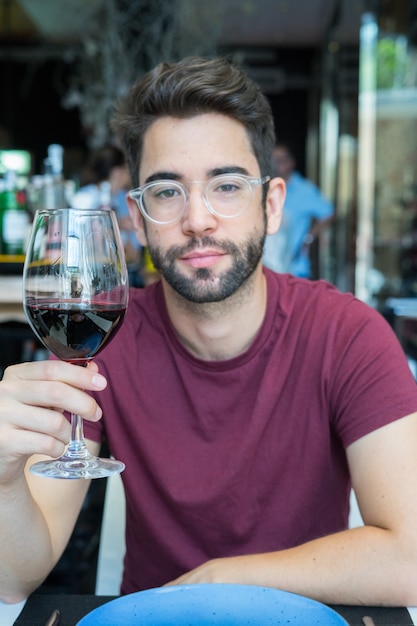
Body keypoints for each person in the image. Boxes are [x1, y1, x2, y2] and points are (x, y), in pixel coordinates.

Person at [1, 56, 417, 608]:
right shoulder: (104, 345)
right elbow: (13, 579)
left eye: (226, 186)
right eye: (167, 192)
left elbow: (409, 557)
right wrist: (5, 481)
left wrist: (221, 579)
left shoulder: (347, 336)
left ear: (271, 204)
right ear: (138, 215)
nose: (197, 219)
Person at [263, 142, 334, 277]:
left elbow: (329, 212)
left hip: (295, 268)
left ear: (290, 163)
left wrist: (310, 237)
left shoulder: (304, 190)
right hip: (267, 268)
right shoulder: (264, 186)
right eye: (271, 160)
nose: (274, 165)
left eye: (279, 161)